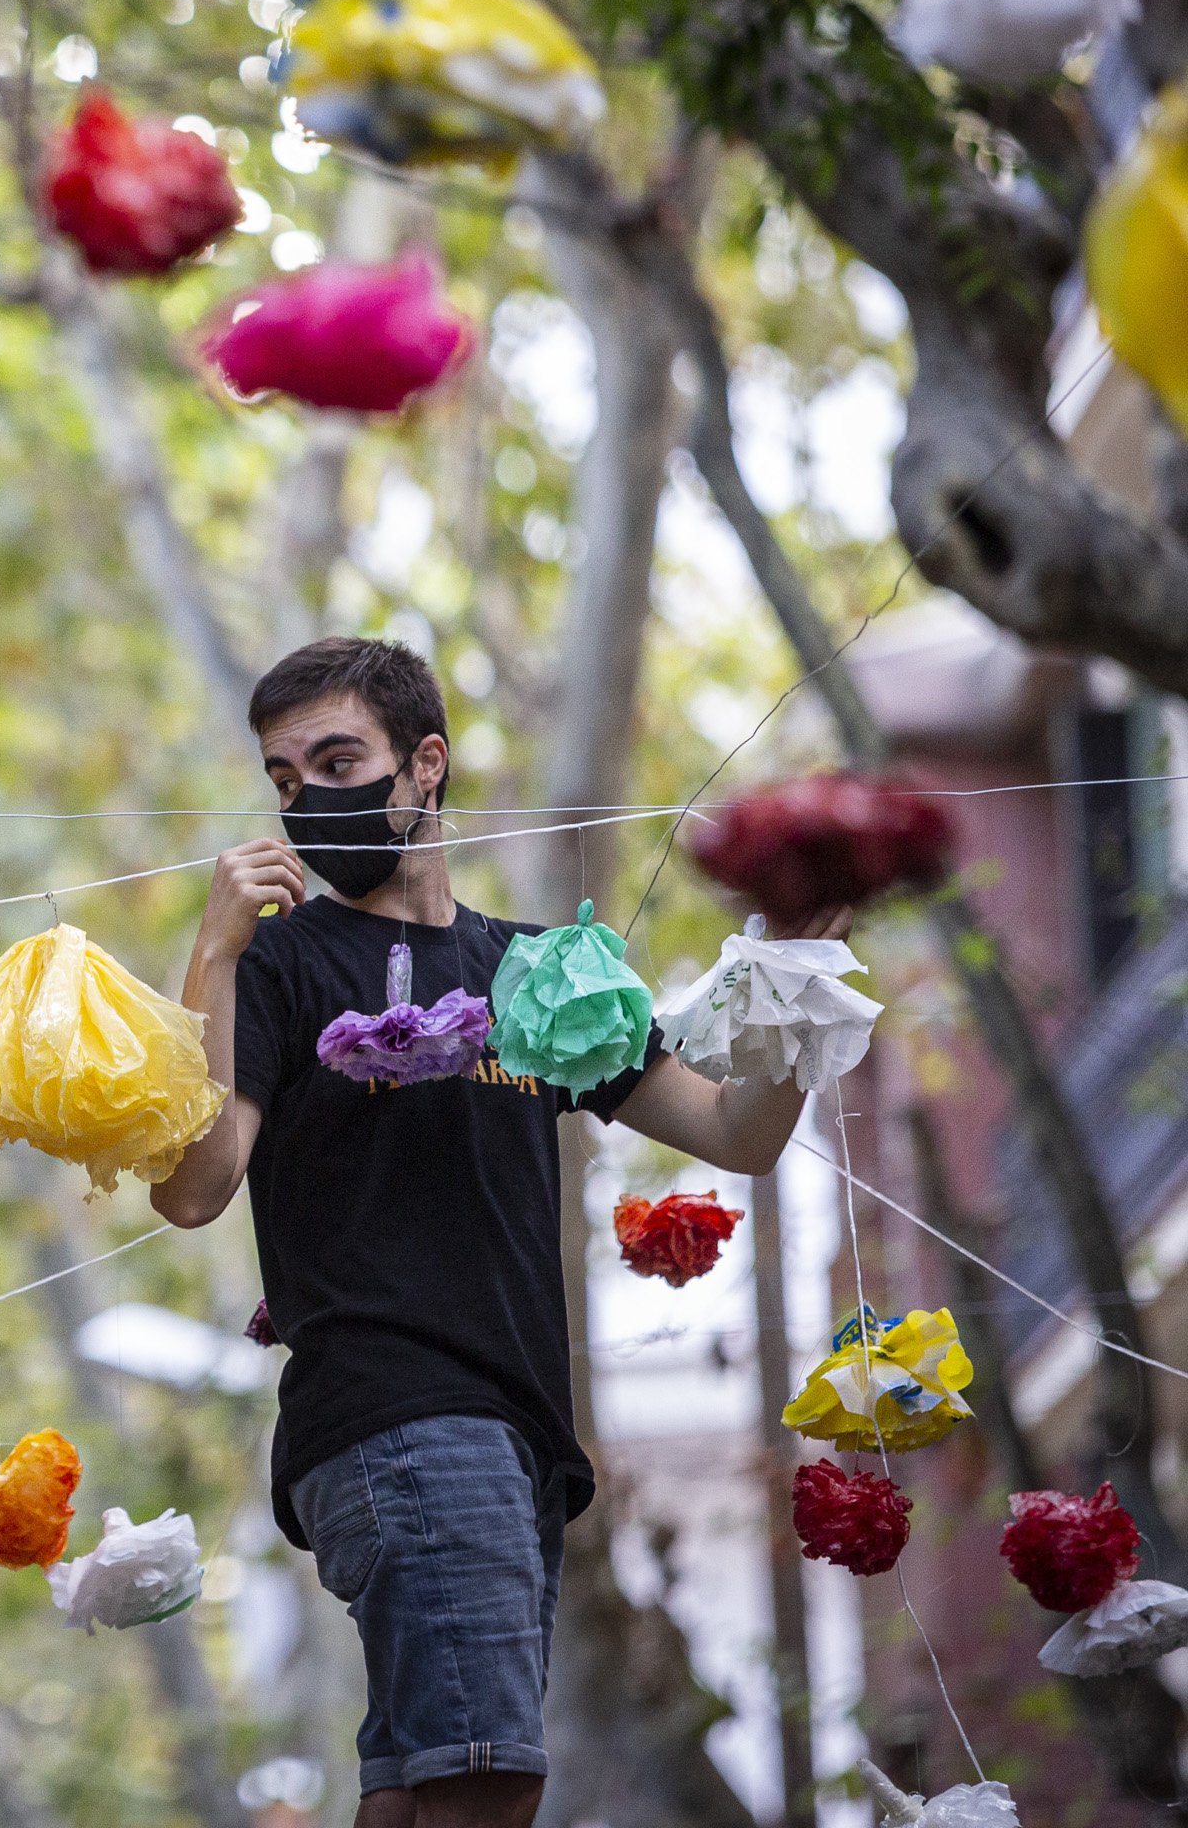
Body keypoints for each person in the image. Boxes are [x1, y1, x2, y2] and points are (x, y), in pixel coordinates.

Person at [150, 636, 847, 1828]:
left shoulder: (536, 970)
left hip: (512, 1440)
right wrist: (212, 948)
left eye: (338, 759)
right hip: (398, 1410)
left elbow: (737, 1134)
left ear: (426, 767)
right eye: (284, 776)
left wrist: (798, 962)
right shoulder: (280, 960)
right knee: (487, 1778)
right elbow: (195, 1182)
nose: (309, 799)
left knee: (428, 1786)